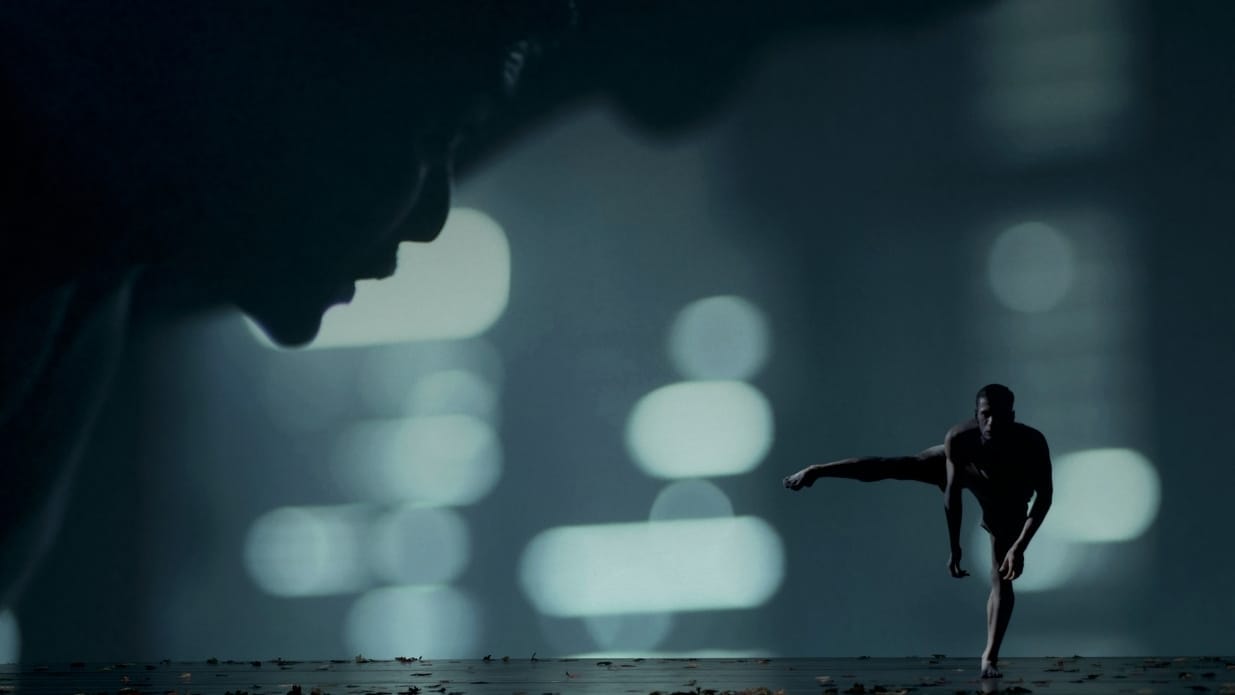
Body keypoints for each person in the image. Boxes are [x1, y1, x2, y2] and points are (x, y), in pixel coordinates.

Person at [783, 384, 1053, 679]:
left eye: (1000, 416)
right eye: (986, 416)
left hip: (1005, 491)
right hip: (965, 466)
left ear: (1012, 416)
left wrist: (1020, 546)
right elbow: (952, 493)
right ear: (975, 415)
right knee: (897, 466)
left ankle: (989, 656)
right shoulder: (960, 438)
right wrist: (955, 547)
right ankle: (817, 470)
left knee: (1001, 577)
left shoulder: (1032, 443)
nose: (992, 424)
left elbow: (1045, 497)